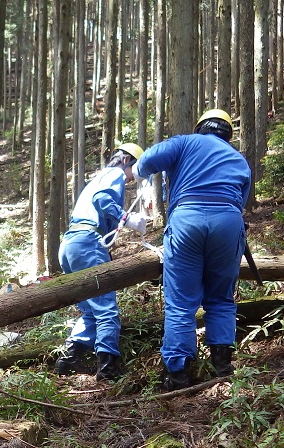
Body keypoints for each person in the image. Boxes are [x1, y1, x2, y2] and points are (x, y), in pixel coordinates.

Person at [134, 110, 252, 390]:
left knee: (181, 303)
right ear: (228, 134)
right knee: (221, 298)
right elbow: (241, 202)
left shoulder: (184, 143)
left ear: (200, 128)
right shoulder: (239, 160)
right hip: (228, 222)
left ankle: (178, 375)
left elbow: (146, 162)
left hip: (187, 220)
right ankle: (222, 366)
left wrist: (139, 171)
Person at [54, 143, 144, 382]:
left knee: (89, 308)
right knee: (105, 307)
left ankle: (69, 358)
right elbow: (103, 200)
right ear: (127, 161)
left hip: (70, 244)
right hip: (87, 243)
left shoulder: (97, 177)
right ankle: (108, 366)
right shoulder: (114, 174)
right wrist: (128, 218)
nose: (131, 179)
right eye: (133, 171)